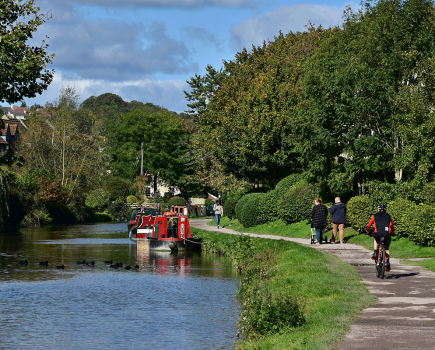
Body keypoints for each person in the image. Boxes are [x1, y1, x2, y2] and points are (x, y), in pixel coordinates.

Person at [367, 203, 395, 271]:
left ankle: (375, 252)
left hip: (377, 233)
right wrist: (392, 233)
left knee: (376, 240)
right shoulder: (389, 216)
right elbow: (391, 225)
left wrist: (369, 231)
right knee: (386, 248)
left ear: (378, 209)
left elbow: (369, 225)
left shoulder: (375, 216)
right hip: (387, 234)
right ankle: (387, 262)